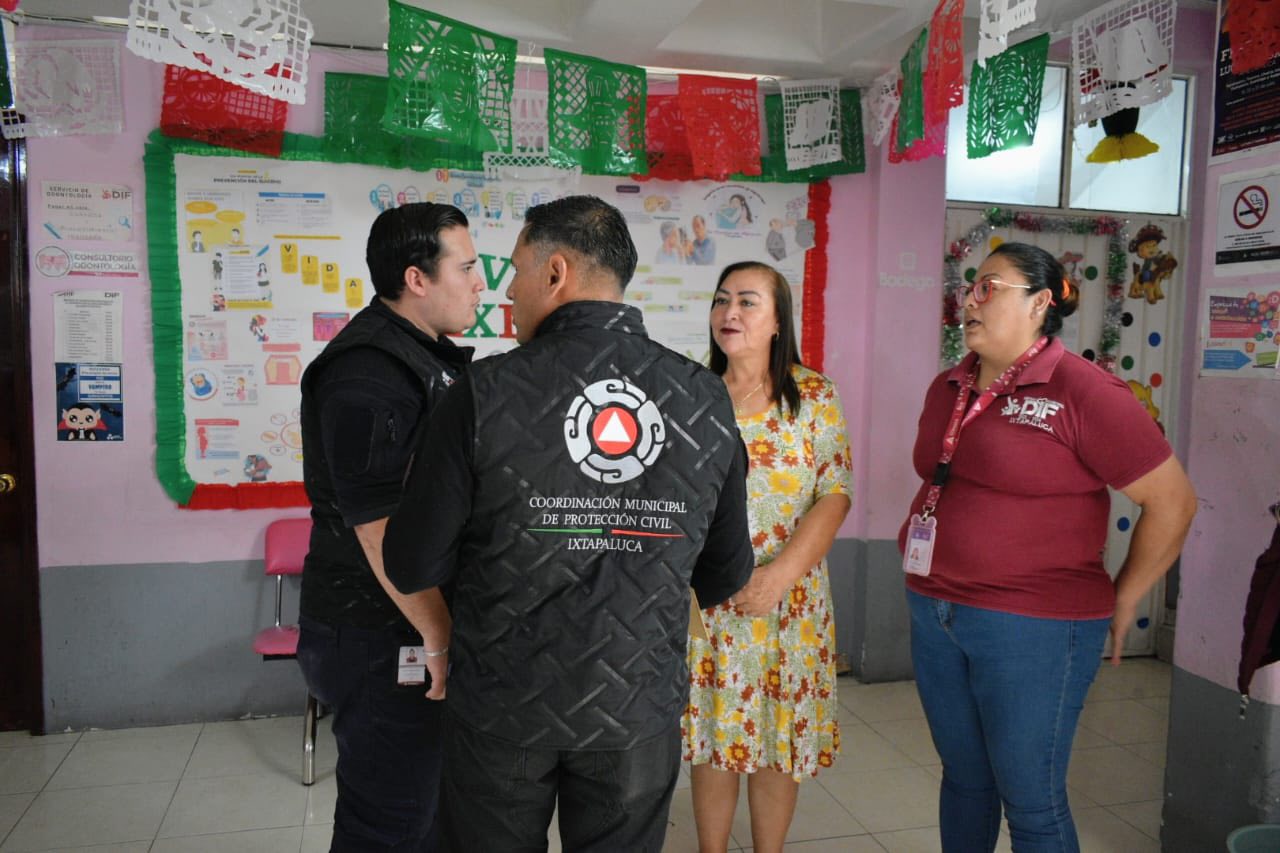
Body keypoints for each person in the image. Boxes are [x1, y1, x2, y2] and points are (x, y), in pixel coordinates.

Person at [382, 195, 755, 852]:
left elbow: (412, 562)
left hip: (503, 705)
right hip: (635, 708)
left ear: (555, 272)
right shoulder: (704, 398)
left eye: (515, 270)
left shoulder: (482, 392)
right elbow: (726, 574)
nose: (507, 291)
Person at [899, 242, 1196, 852]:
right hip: (935, 607)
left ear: (1039, 303)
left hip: (1033, 623)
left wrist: (1126, 597)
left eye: (989, 288)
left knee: (1031, 799)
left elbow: (1172, 501)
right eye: (969, 287)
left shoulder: (1083, 390)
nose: (970, 301)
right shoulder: (949, 384)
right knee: (964, 780)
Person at [296, 202, 483, 852]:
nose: (481, 284)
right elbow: (376, 526)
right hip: (379, 631)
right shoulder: (367, 371)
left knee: (424, 812)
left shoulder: (422, 355)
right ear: (417, 279)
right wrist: (439, 634)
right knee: (390, 822)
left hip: (406, 620)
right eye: (467, 267)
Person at [684, 261, 852, 853]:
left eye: (748, 301)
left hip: (790, 602)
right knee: (713, 737)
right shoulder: (692, 394)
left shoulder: (813, 396)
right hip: (712, 604)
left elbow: (835, 493)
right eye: (721, 300)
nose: (730, 312)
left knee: (780, 741)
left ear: (779, 320)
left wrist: (777, 577)